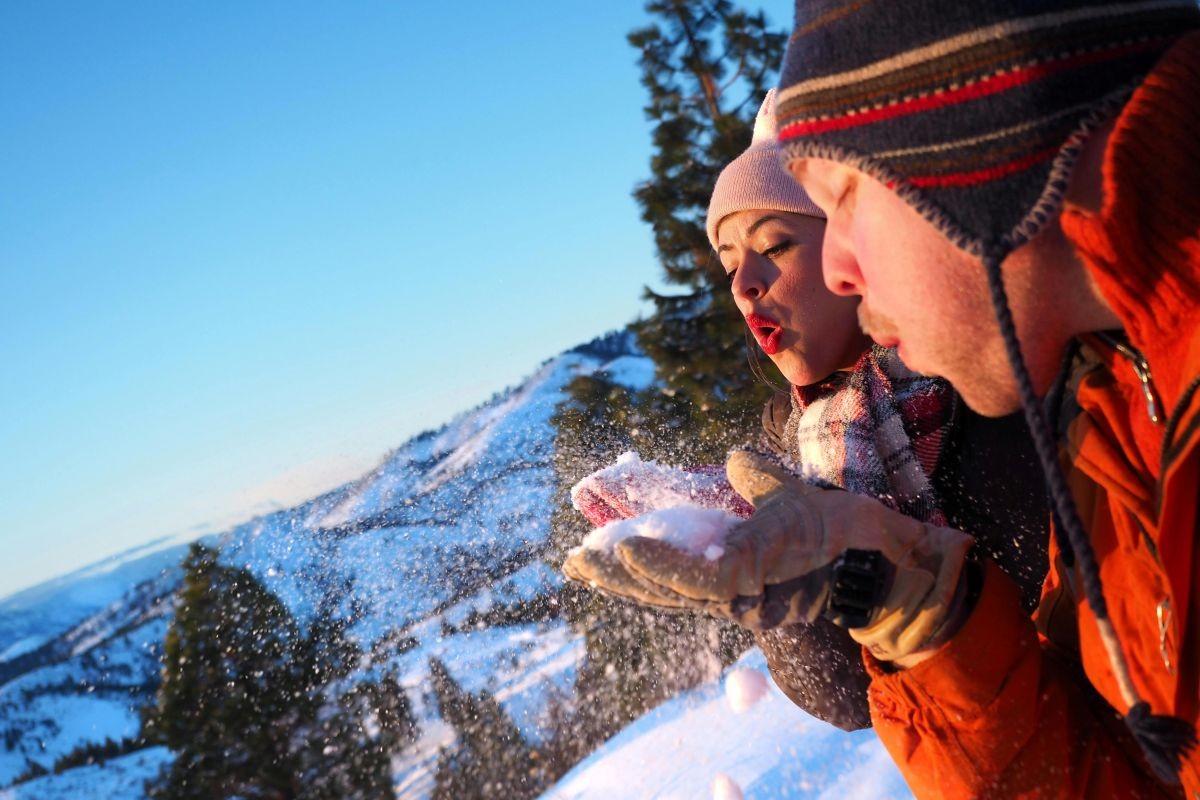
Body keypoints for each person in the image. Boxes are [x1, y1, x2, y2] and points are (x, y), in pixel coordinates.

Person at [602, 2, 1200, 796]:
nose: (842, 269)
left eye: (839, 199)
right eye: (727, 264)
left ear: (975, 136)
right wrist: (910, 603)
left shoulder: (1042, 405)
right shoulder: (1120, 411)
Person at [565, 91, 1048, 733]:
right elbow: (850, 699)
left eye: (776, 245)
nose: (742, 285)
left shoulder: (987, 374)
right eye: (730, 262)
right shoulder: (794, 442)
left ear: (856, 244)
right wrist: (754, 562)